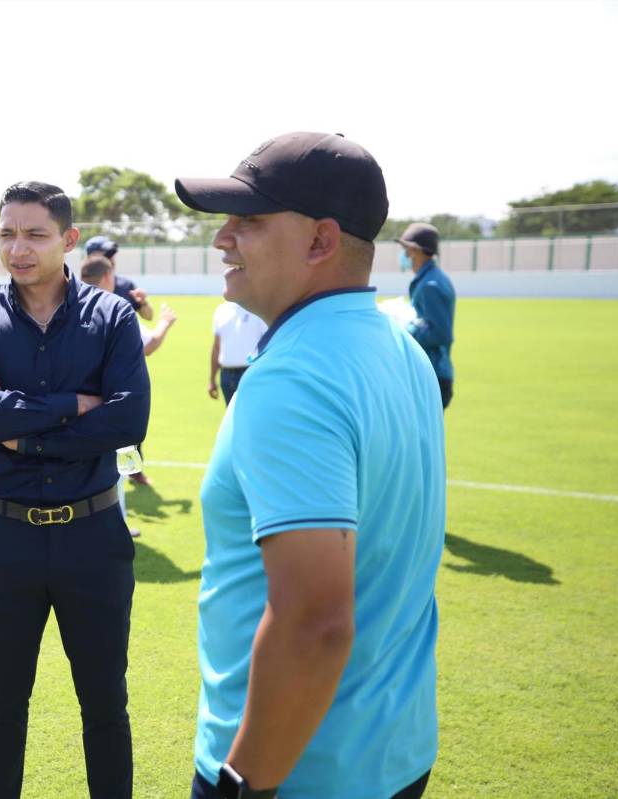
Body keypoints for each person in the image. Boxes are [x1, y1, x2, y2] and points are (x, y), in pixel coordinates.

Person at [175, 131, 444, 799]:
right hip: (396, 752)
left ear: (321, 242)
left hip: (297, 773)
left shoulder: (292, 378)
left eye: (251, 220)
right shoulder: (399, 346)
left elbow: (313, 622)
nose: (223, 238)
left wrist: (244, 783)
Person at [0, 181, 150, 798]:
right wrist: (73, 407)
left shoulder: (111, 315)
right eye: (8, 233)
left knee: (105, 705)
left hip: (93, 534)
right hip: (4, 537)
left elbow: (126, 421)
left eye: (35, 234)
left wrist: (23, 431)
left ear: (67, 240)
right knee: (2, 705)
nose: (19, 248)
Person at [80, 252, 175, 535]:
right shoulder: (113, 308)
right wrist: (166, 322)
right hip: (109, 403)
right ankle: (113, 526)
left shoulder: (65, 303)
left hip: (74, 405)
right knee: (113, 471)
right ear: (109, 276)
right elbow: (147, 345)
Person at [398, 222, 456, 409]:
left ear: (415, 250)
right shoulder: (431, 279)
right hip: (432, 374)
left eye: (405, 248)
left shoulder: (431, 285)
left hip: (433, 376)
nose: (403, 254)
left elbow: (441, 333)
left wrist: (406, 330)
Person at [208, 301, 267, 405]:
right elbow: (217, 346)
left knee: (251, 415)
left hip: (251, 373)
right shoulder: (221, 310)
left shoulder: (258, 310)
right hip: (226, 375)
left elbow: (267, 344)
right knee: (231, 417)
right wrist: (212, 379)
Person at [84, 235, 154, 321]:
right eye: (107, 254)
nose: (112, 259)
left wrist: (143, 303)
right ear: (91, 258)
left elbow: (149, 317)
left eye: (113, 254)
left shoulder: (126, 286)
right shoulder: (79, 289)